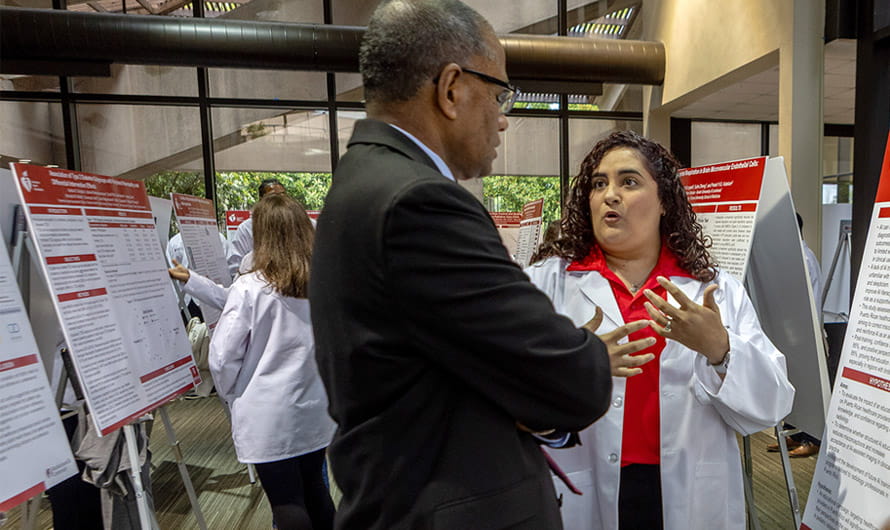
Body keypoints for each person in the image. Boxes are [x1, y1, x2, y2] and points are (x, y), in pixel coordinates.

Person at [308, 2, 654, 529]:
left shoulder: (365, 181)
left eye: (631, 183)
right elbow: (565, 379)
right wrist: (585, 358)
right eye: (500, 95)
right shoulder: (420, 203)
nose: (504, 119)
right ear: (451, 89)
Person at [526, 130, 795, 530]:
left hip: (686, 491)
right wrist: (577, 363)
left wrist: (720, 349)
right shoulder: (548, 284)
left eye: (628, 182)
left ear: (665, 201)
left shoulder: (712, 290)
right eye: (599, 184)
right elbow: (502, 385)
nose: (610, 195)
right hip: (584, 480)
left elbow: (773, 405)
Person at [210, 193, 336, 530]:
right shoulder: (323, 283)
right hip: (313, 406)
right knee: (315, 490)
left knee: (285, 501)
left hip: (266, 413)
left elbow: (222, 358)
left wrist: (232, 392)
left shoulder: (249, 288)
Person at [766, 213, 823, 458]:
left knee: (808, 388)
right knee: (791, 383)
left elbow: (801, 300)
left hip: (805, 333)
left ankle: (812, 439)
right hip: (792, 332)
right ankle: (792, 434)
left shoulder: (803, 258)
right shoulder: (792, 256)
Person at [227, 178, 287, 274]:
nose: (279, 200)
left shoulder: (300, 223)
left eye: (283, 195)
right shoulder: (246, 229)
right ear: (261, 200)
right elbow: (235, 267)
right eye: (273, 197)